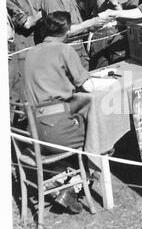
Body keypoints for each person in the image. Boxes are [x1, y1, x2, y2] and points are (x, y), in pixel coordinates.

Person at [23, 11, 97, 214]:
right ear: (67, 30)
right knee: (100, 135)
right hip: (57, 130)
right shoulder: (64, 50)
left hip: (34, 131)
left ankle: (59, 180)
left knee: (77, 126)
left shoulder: (31, 51)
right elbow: (89, 87)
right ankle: (70, 188)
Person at [41, 0, 109, 70]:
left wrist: (92, 26)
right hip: (65, 58)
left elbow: (76, 25)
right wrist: (89, 23)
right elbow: (61, 32)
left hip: (78, 54)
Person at [89, 0, 140, 69]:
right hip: (98, 38)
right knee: (99, 72)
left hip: (118, 37)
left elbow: (134, 20)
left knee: (120, 70)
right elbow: (94, 15)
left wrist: (115, 3)